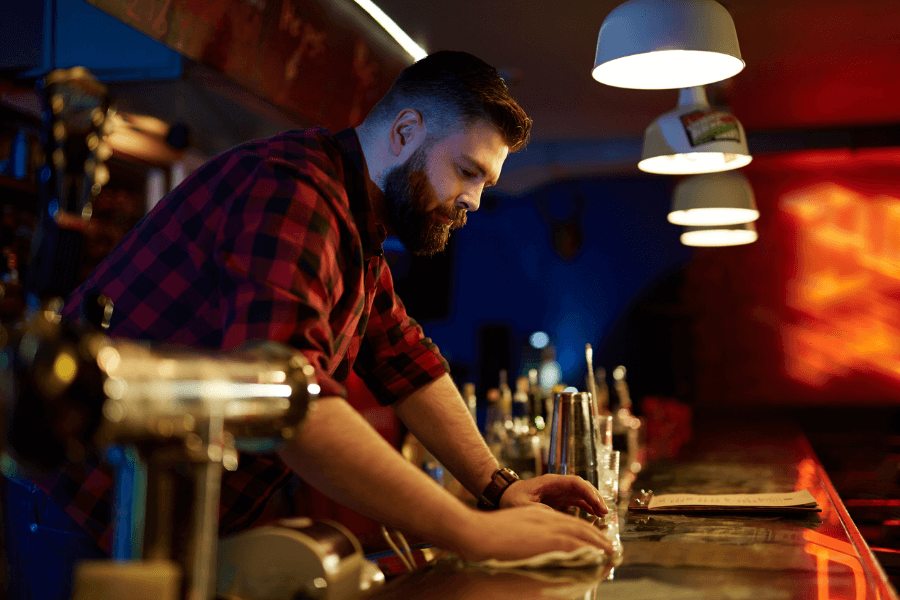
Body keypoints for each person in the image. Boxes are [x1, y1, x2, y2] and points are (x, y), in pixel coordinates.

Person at [3, 50, 609, 599]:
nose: (473, 200)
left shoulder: (358, 228)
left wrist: (499, 487)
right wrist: (478, 534)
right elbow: (294, 408)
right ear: (405, 132)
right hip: (78, 503)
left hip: (152, 510)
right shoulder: (292, 191)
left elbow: (407, 362)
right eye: (468, 171)